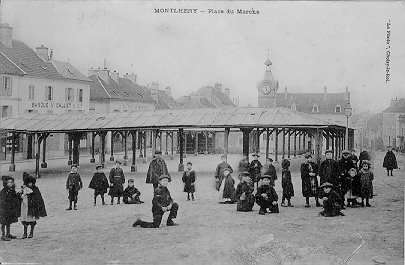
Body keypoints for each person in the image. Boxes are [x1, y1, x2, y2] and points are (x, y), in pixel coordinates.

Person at [20, 172, 47, 239]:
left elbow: (38, 198)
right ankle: (25, 233)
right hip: (25, 207)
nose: (30, 184)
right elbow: (20, 196)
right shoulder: (24, 189)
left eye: (31, 183)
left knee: (32, 220)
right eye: (28, 183)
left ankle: (31, 232)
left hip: (32, 207)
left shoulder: (35, 189)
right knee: (25, 220)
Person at [0, 176, 21, 241]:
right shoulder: (4, 191)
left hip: (10, 209)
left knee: (8, 222)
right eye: (8, 182)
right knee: (4, 222)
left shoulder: (12, 190)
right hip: (4, 209)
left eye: (11, 182)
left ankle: (8, 233)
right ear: (5, 183)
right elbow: (3, 200)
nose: (10, 184)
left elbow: (14, 198)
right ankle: (3, 235)